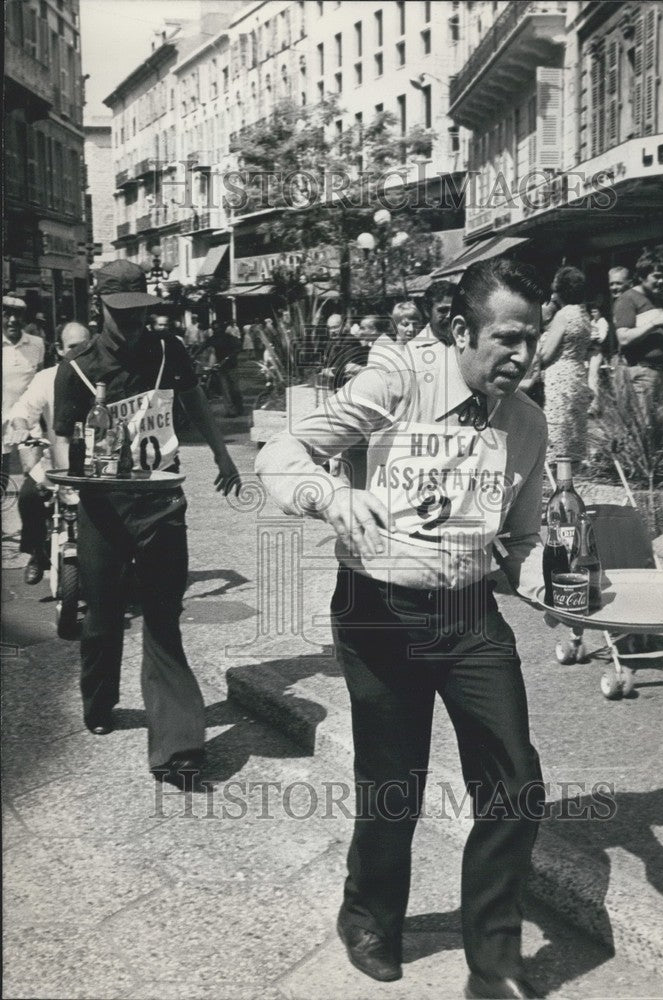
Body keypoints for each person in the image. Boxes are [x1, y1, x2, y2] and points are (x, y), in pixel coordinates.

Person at [256, 257, 547, 1000]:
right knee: (394, 780)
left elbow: (520, 543)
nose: (521, 356)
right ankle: (368, 917)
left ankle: (494, 962)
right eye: (507, 339)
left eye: (532, 340)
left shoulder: (525, 421)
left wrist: (554, 582)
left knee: (514, 783)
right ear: (459, 330)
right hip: (378, 608)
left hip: (467, 609)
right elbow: (283, 454)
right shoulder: (396, 381)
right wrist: (328, 493)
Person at [53, 260, 241, 787]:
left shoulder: (168, 349)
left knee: (162, 617)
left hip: (162, 505)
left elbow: (193, 400)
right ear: (100, 309)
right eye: (121, 315)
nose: (133, 324)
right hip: (104, 511)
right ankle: (100, 700)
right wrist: (67, 486)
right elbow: (63, 440)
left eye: (141, 313)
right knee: (103, 618)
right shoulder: (77, 367)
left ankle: (178, 747)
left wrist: (224, 456)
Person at [5, 322, 91, 584]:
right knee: (29, 497)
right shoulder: (46, 378)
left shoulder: (102, 377)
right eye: (73, 347)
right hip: (56, 461)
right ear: (60, 349)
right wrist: (20, 427)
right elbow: (23, 409)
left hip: (94, 464)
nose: (80, 352)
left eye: (86, 346)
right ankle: (36, 552)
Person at [613, 252, 663, 412]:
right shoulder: (627, 299)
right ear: (642, 276)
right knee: (643, 430)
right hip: (641, 373)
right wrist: (655, 323)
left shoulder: (654, 299)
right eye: (656, 276)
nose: (661, 281)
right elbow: (623, 338)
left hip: (657, 372)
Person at [538, 266, 592, 462]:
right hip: (578, 372)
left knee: (558, 427)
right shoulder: (584, 315)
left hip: (559, 374)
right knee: (574, 429)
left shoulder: (563, 316)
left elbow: (546, 355)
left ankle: (555, 471)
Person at [3, 295, 45, 488]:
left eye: (17, 315)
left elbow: (42, 380)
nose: (12, 320)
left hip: (27, 419)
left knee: (33, 475)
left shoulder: (37, 344)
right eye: (6, 314)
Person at [193, 319, 244, 417]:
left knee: (235, 389)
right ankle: (231, 411)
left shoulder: (231, 338)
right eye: (214, 329)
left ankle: (239, 408)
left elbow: (238, 349)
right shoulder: (213, 338)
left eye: (218, 328)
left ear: (223, 328)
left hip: (232, 366)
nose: (216, 330)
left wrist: (227, 358)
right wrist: (193, 355)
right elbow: (203, 346)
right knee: (225, 390)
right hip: (221, 368)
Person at [408, 281, 455, 350]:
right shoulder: (413, 350)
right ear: (427, 311)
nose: (450, 315)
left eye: (456, 309)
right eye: (443, 310)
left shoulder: (471, 339)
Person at [587, 303, 610, 415]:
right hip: (589, 353)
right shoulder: (592, 323)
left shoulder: (603, 322)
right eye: (592, 312)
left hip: (597, 352)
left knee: (593, 378)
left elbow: (601, 338)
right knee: (587, 378)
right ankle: (588, 405)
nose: (593, 314)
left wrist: (593, 339)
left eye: (595, 311)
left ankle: (595, 407)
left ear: (600, 312)